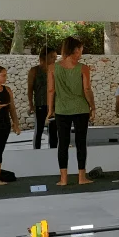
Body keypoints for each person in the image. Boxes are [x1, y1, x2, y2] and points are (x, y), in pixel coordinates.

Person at [48, 36, 96, 186]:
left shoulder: (52, 67)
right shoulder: (83, 68)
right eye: (81, 49)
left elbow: (51, 90)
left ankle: (63, 179)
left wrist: (50, 109)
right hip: (81, 108)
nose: (81, 52)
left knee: (63, 143)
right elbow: (87, 89)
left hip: (61, 109)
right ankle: (81, 178)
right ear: (75, 49)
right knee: (81, 143)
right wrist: (93, 107)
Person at [26, 48, 58, 150]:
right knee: (39, 129)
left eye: (55, 57)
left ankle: (53, 152)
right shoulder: (34, 70)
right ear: (44, 57)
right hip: (40, 104)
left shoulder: (56, 70)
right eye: (52, 57)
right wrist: (31, 104)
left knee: (53, 130)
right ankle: (36, 152)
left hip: (54, 105)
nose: (54, 59)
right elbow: (30, 89)